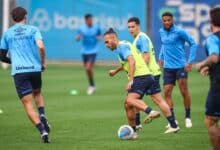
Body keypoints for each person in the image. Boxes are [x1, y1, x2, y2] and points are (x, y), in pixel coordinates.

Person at [104, 28, 179, 136]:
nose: (106, 45)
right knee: (128, 104)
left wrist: (131, 81)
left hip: (140, 76)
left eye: (107, 42)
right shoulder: (125, 44)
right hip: (147, 75)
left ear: (113, 38)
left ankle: (150, 112)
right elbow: (127, 62)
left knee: (130, 99)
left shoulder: (121, 47)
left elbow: (132, 61)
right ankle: (135, 132)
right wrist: (115, 71)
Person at [0, 7, 50, 143]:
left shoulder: (7, 33)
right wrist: (43, 62)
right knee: (38, 93)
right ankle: (42, 114)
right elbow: (41, 46)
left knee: (28, 103)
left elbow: (1, 56)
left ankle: (42, 130)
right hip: (34, 69)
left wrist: (13, 61)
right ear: (25, 16)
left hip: (19, 72)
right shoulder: (33, 29)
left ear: (12, 19)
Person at [159, 12, 197, 128]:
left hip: (180, 66)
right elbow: (163, 45)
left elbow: (193, 43)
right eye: (164, 20)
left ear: (172, 20)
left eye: (168, 20)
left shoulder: (179, 31)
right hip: (168, 67)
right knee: (166, 92)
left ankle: (188, 117)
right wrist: (161, 57)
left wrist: (190, 62)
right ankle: (173, 120)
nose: (166, 22)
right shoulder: (161, 31)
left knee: (183, 91)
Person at [127, 17, 162, 130]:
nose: (131, 29)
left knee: (155, 99)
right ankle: (137, 124)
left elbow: (145, 56)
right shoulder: (136, 39)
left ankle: (172, 122)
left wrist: (143, 73)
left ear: (138, 26)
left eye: (133, 27)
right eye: (129, 27)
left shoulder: (141, 38)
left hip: (147, 74)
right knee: (136, 98)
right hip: (146, 74)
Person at [195, 7, 220, 150]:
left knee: (211, 121)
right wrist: (210, 68)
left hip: (218, 87)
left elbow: (215, 57)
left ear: (211, 21)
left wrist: (201, 64)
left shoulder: (213, 38)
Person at [75, 14, 102, 95]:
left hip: (93, 51)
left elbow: (100, 35)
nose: (91, 21)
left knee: (88, 67)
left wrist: (99, 37)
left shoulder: (97, 27)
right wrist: (78, 38)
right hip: (84, 51)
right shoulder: (81, 28)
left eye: (91, 19)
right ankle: (92, 85)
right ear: (86, 20)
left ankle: (91, 86)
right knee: (87, 70)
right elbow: (77, 38)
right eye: (89, 20)